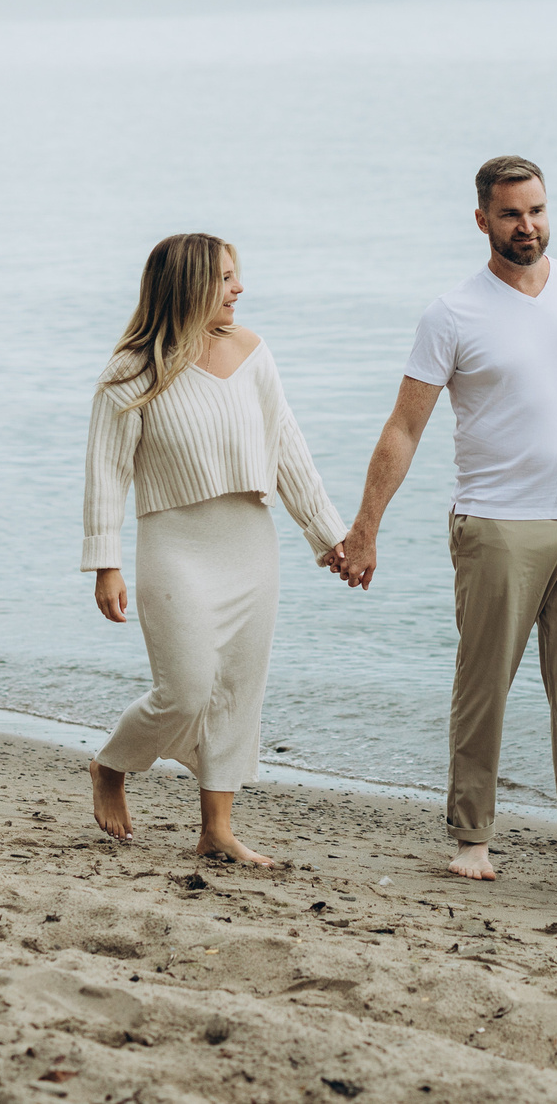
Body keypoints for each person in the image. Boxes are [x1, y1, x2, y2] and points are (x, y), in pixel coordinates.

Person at [326, 156, 557, 898]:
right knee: (484, 682)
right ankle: (472, 838)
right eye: (512, 214)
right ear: (483, 219)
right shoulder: (452, 313)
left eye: (538, 210)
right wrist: (366, 528)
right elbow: (404, 428)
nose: (529, 226)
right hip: (496, 526)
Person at [82, 232, 347, 865]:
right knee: (189, 688)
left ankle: (217, 830)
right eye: (226, 277)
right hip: (175, 547)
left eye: (237, 276)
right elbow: (106, 472)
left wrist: (330, 537)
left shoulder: (254, 352)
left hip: (251, 543)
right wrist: (105, 564)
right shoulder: (131, 371)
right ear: (190, 284)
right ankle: (112, 765)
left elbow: (288, 452)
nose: (239, 288)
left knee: (237, 690)